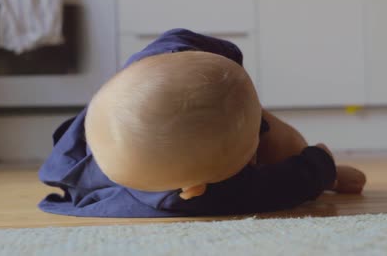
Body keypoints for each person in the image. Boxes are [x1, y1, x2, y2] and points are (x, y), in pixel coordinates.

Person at [38, 28, 366, 217]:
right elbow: (274, 189)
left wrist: (221, 69)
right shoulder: (194, 196)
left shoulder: (161, 58)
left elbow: (178, 38)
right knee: (282, 143)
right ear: (194, 188)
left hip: (102, 128)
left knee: (218, 113)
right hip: (97, 148)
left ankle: (244, 116)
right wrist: (321, 167)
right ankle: (263, 129)